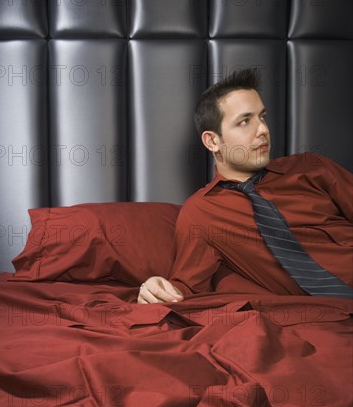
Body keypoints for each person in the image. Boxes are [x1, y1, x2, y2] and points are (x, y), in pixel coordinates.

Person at [137, 68, 353, 304]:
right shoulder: (201, 214)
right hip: (337, 309)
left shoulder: (311, 167)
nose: (263, 130)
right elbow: (186, 289)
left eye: (262, 117)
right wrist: (154, 289)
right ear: (212, 141)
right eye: (244, 121)